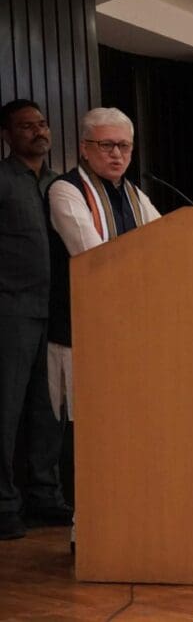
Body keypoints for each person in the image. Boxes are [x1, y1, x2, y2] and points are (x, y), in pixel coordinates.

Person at [46, 108, 161, 522]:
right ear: (84, 148)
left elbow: (168, 245)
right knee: (88, 429)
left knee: (129, 425)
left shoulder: (136, 195)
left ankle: (128, 514)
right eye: (106, 145)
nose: (116, 154)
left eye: (124, 146)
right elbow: (96, 256)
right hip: (81, 331)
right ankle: (89, 522)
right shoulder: (66, 190)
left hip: (131, 330)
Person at [0, 99, 69, 540]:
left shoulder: (61, 186)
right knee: (6, 412)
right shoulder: (3, 181)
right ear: (7, 136)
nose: (39, 131)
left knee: (50, 412)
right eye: (26, 126)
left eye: (42, 123)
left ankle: (45, 497)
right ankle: (5, 505)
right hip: (11, 310)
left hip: (58, 313)